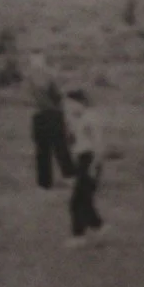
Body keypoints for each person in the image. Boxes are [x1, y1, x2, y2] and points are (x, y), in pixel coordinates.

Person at [64, 90, 106, 248]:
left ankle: (79, 237)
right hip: (82, 159)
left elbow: (98, 144)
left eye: (71, 104)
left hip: (90, 160)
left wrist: (94, 166)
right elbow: (73, 143)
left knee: (77, 200)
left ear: (80, 102)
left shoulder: (91, 117)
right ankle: (99, 228)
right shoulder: (78, 119)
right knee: (85, 200)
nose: (68, 108)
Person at [28, 53, 75, 190]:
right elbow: (57, 95)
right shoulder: (48, 77)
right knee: (60, 146)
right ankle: (70, 176)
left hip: (38, 115)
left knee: (42, 150)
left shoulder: (30, 79)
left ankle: (44, 182)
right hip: (53, 114)